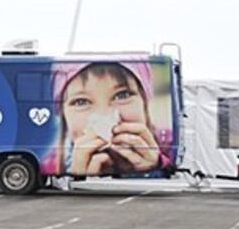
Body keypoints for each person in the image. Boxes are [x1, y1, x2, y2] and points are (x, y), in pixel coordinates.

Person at [43, 61, 172, 176]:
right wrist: (76, 176)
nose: (104, 116)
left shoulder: (170, 146)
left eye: (122, 95)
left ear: (144, 102)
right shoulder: (50, 163)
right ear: (64, 116)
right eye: (81, 102)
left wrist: (156, 166)